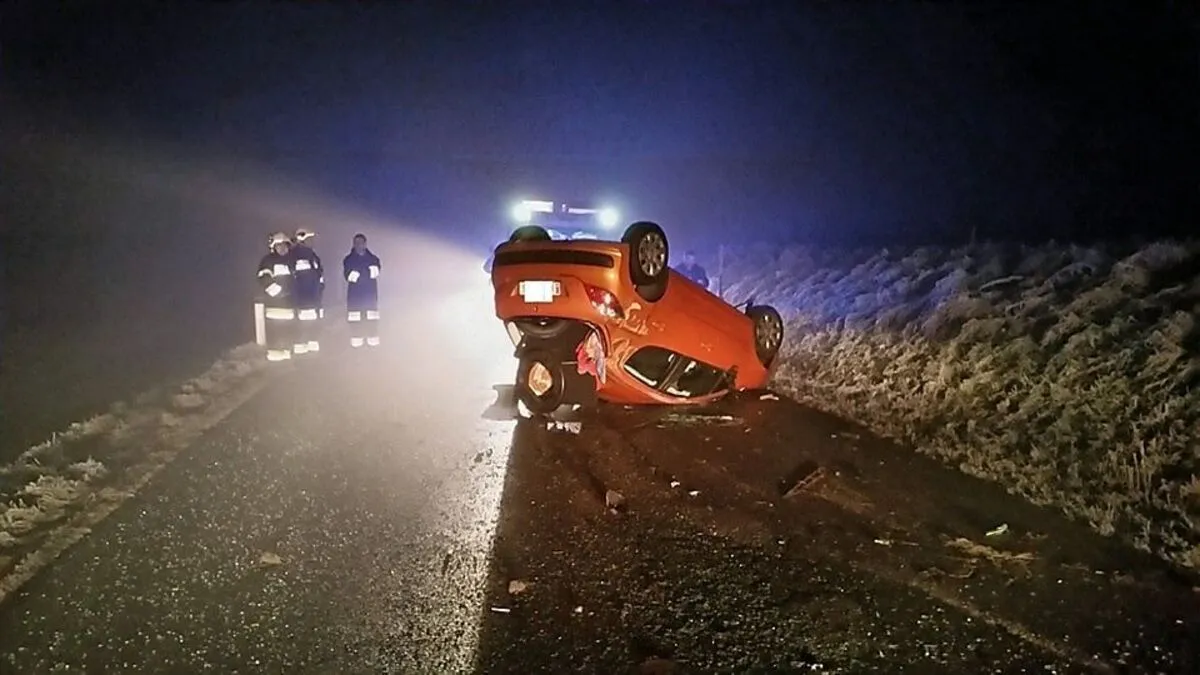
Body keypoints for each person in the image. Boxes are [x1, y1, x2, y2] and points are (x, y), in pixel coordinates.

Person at [256, 232, 297, 362]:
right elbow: (264, 278)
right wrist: (278, 292)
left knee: (289, 335)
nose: (282, 248)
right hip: (274, 307)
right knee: (275, 335)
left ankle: (287, 359)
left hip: (289, 307)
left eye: (285, 245)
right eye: (279, 245)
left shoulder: (291, 261)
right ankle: (275, 360)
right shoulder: (268, 261)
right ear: (274, 247)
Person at [343, 233, 381, 348]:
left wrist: (359, 272)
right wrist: (365, 272)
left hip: (370, 297)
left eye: (360, 243)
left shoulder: (374, 259)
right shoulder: (348, 260)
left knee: (371, 322)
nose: (358, 245)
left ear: (365, 244)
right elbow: (350, 277)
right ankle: (356, 348)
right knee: (355, 323)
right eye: (356, 243)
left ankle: (373, 347)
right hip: (355, 298)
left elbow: (374, 273)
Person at [290, 228, 325, 355]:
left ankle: (312, 348)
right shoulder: (295, 254)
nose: (312, 241)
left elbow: (319, 274)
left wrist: (320, 289)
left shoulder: (313, 255)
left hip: (313, 296)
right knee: (301, 325)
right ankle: (300, 349)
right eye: (309, 239)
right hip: (302, 297)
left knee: (312, 324)